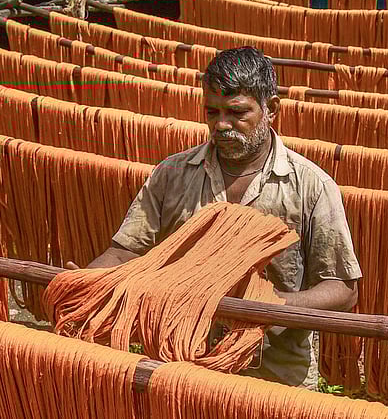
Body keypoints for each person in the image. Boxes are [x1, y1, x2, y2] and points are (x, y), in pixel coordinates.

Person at [82, 46, 362, 388]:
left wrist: (269, 306)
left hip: (274, 379)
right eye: (212, 113)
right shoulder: (173, 174)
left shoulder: (310, 186)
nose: (222, 125)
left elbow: (342, 289)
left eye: (237, 112)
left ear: (271, 109)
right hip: (179, 367)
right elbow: (126, 251)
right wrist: (84, 282)